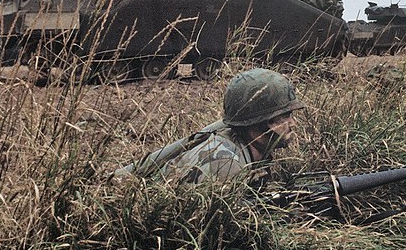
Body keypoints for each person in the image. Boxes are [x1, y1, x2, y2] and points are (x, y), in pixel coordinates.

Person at [114, 68, 304, 184]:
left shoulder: (249, 145)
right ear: (264, 122)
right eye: (286, 116)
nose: (293, 124)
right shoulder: (223, 163)